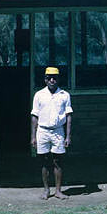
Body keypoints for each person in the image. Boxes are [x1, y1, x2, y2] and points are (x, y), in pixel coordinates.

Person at [30, 66, 73, 200]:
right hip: (42, 131)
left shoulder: (64, 95)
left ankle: (58, 191)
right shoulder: (39, 95)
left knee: (58, 161)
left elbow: (69, 116)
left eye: (54, 78)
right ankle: (46, 190)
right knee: (44, 161)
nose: (52, 80)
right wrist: (33, 136)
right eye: (49, 78)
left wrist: (68, 136)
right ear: (45, 79)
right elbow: (34, 116)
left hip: (58, 131)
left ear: (58, 79)